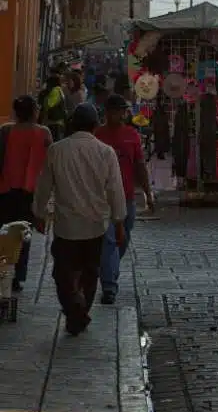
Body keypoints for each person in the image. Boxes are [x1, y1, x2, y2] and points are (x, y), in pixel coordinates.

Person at [32, 104, 126, 336]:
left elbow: (44, 186)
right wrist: (119, 221)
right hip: (95, 224)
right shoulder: (105, 152)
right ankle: (80, 309)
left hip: (67, 225)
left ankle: (74, 308)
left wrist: (39, 213)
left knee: (62, 272)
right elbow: (115, 190)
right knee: (89, 271)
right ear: (96, 125)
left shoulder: (57, 150)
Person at [94, 95, 154, 304]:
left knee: (123, 238)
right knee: (109, 240)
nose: (120, 115)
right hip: (103, 198)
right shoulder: (97, 136)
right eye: (117, 111)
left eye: (123, 111)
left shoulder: (132, 135)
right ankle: (109, 286)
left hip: (127, 196)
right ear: (108, 112)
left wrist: (148, 193)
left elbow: (139, 166)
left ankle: (107, 268)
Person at [0, 95, 53, 292]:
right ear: (34, 112)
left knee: (4, 233)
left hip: (4, 190)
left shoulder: (5, 130)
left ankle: (3, 270)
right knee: (24, 235)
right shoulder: (43, 133)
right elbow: (50, 162)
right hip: (29, 191)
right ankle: (18, 276)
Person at [39, 75, 67, 141]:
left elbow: (49, 104)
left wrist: (45, 97)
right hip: (58, 122)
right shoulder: (59, 90)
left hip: (54, 123)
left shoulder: (55, 91)